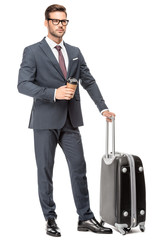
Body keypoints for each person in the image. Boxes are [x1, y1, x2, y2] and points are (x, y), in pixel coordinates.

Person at [17, 4, 115, 237]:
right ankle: (50, 219)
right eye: (56, 21)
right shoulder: (32, 51)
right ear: (46, 23)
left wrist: (103, 108)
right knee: (45, 171)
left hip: (70, 121)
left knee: (79, 169)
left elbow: (88, 81)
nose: (60, 25)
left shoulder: (75, 51)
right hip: (44, 121)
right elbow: (22, 85)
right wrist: (53, 93)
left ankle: (86, 218)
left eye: (64, 21)